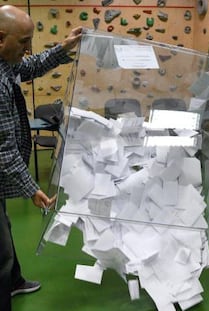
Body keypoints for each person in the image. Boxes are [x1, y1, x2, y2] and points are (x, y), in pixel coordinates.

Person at [0, 5, 82, 311]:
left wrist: (65, 46)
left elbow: (30, 65)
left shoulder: (5, 62)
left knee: (4, 227)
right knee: (1, 250)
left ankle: (15, 281)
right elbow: (3, 150)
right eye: (23, 41)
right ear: (0, 38)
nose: (28, 48)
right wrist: (31, 188)